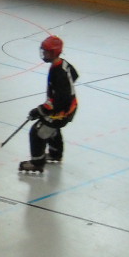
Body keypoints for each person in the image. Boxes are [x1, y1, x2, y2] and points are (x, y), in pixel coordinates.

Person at [19, 35, 79, 174]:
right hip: (68, 107)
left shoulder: (59, 74)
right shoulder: (62, 64)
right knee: (51, 127)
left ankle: (37, 163)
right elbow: (74, 75)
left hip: (63, 111)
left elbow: (58, 101)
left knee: (37, 131)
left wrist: (40, 110)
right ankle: (55, 153)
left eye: (46, 52)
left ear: (54, 53)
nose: (43, 54)